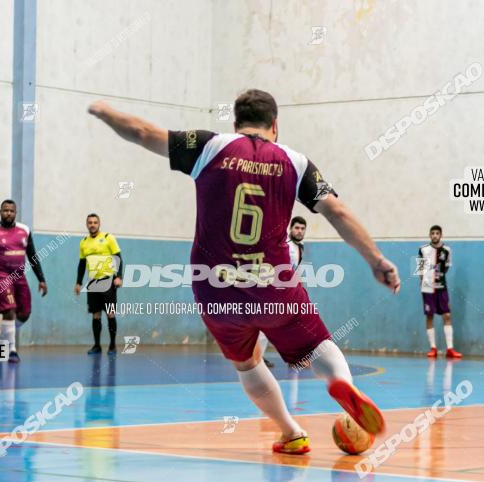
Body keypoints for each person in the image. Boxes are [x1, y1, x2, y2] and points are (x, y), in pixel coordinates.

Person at [88, 89, 400, 454]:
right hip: (273, 285)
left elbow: (142, 132)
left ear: (235, 123)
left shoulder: (210, 146)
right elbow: (338, 212)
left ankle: (291, 432)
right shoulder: (294, 162)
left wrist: (103, 109)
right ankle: (342, 382)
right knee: (316, 346)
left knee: (247, 363)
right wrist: (376, 260)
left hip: (215, 289)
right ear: (275, 124)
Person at [0, 199, 47, 363]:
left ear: (15, 213)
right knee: (9, 311)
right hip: (0, 276)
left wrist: (41, 279)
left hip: (20, 276)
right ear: (0, 212)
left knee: (24, 314)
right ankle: (11, 349)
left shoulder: (25, 230)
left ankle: (0, 336)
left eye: (11, 211)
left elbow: (33, 257)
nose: (8, 213)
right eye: (5, 210)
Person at [258, 216, 307, 368]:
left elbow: (294, 269)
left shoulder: (300, 246)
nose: (299, 231)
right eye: (296, 228)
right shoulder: (286, 245)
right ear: (291, 229)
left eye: (302, 228)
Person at [74, 213, 122, 355]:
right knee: (96, 315)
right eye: (90, 222)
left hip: (108, 281)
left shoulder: (108, 238)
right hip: (93, 282)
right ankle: (97, 346)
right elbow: (82, 264)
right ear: (87, 225)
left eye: (95, 222)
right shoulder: (83, 242)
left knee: (110, 314)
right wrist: (78, 282)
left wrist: (119, 276)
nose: (92, 225)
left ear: (99, 224)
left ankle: (112, 346)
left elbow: (118, 258)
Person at [419, 225, 461, 359]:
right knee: (429, 316)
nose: (435, 235)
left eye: (437, 233)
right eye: (432, 233)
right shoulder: (423, 250)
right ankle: (433, 348)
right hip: (427, 288)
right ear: (429, 235)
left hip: (442, 287)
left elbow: (446, 267)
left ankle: (450, 349)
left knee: (447, 316)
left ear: (441, 235)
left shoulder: (447, 250)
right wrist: (425, 281)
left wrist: (438, 278)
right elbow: (420, 270)